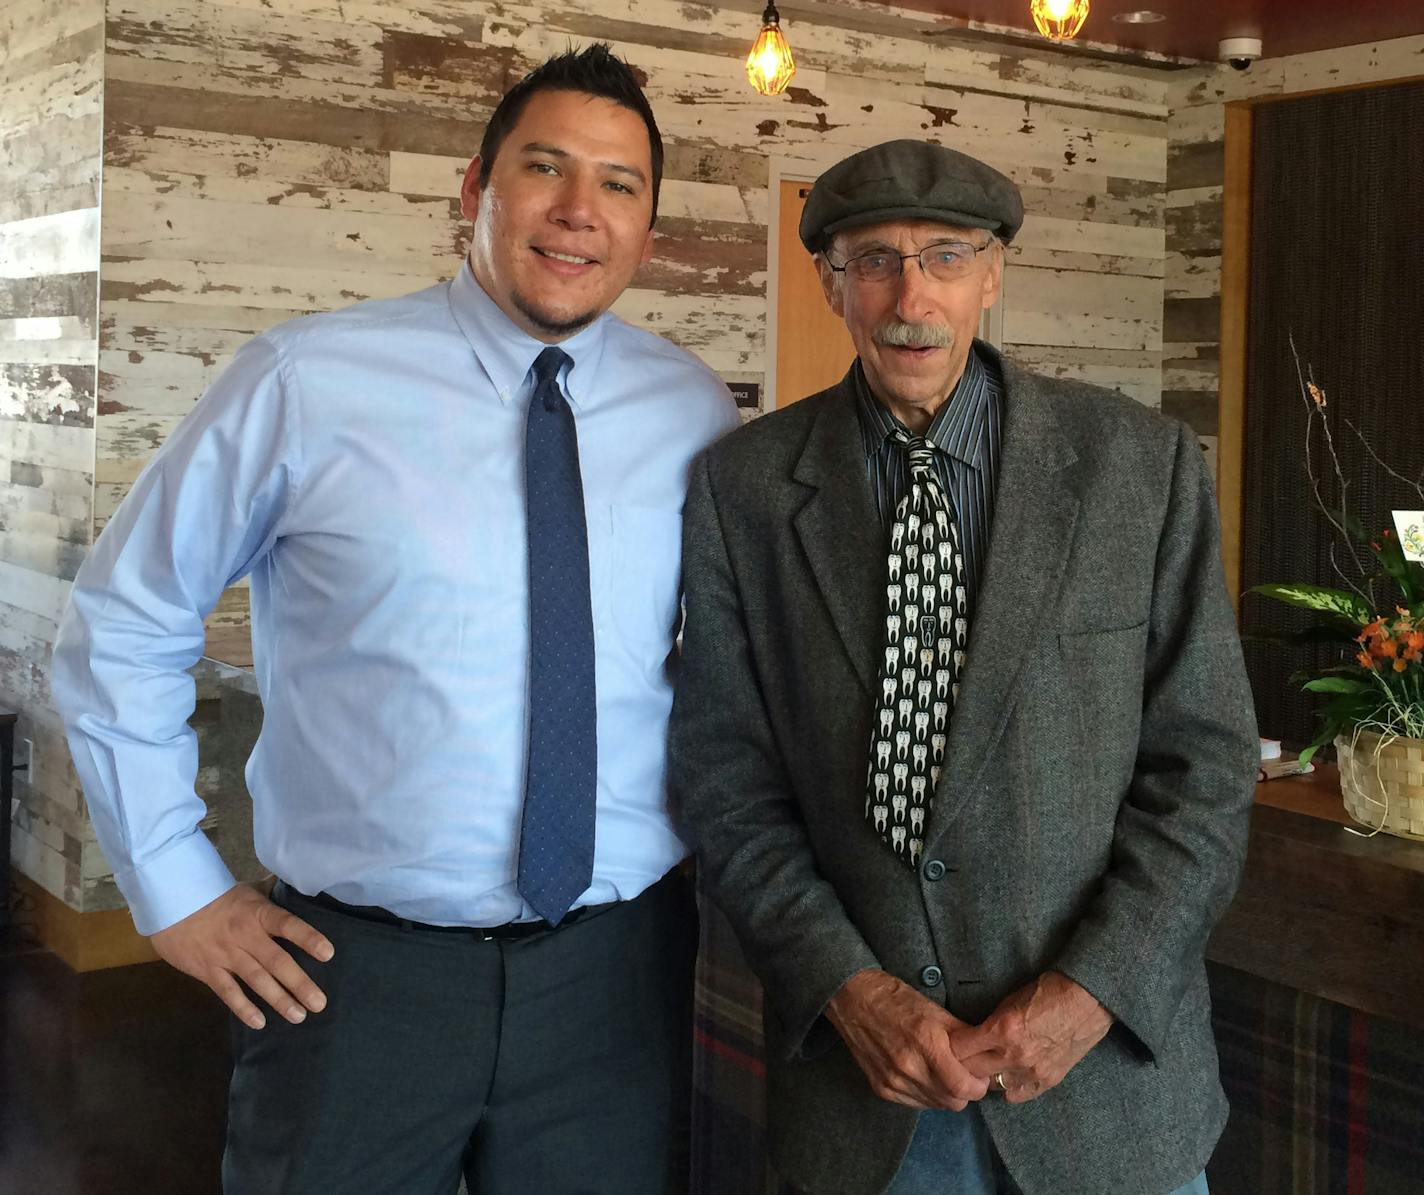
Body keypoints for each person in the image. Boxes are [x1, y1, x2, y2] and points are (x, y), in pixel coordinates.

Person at [52, 44, 738, 1195]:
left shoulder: (692, 408)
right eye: (546, 169)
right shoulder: (305, 381)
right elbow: (125, 618)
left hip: (617, 975)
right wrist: (173, 886)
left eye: (619, 185)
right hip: (352, 978)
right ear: (473, 190)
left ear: (648, 229)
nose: (579, 211)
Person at [667, 139, 1258, 1195]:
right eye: (874, 259)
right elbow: (726, 780)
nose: (911, 295)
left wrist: (1091, 988)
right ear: (829, 281)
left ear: (993, 272)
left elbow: (1203, 769)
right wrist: (847, 988)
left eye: (945, 256)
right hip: (868, 1098)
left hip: (1107, 1096)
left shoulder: (1140, 467)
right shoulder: (742, 490)